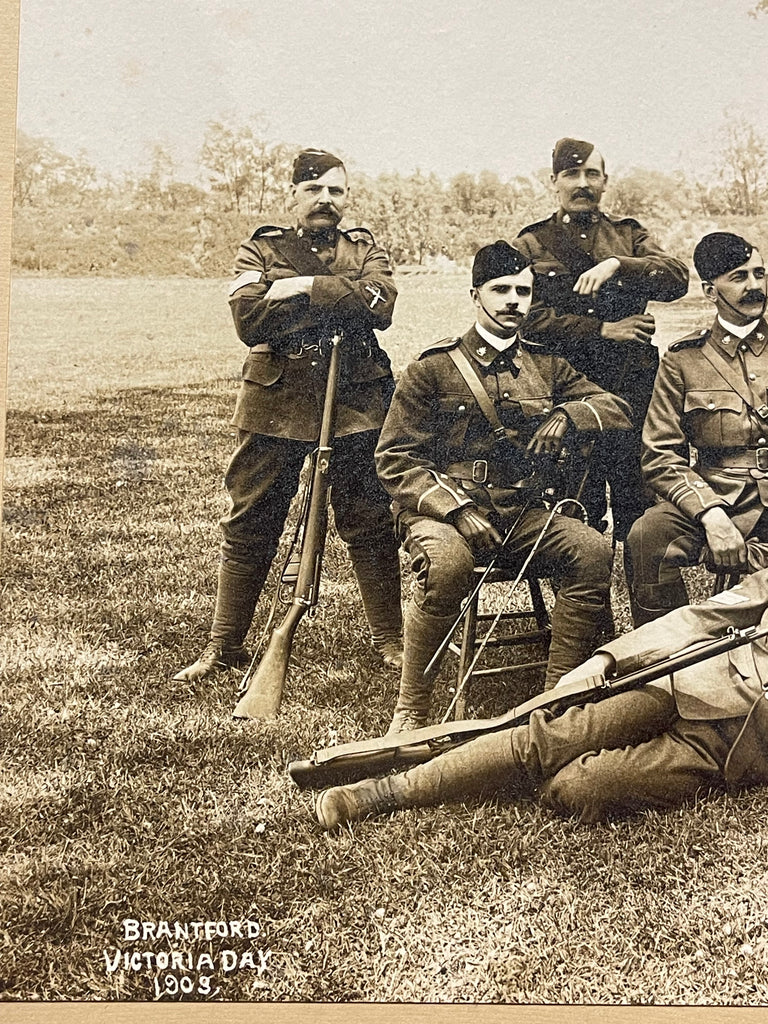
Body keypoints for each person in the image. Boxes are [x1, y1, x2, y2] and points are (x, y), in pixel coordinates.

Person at [374, 240, 633, 733]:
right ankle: (411, 710)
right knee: (449, 565)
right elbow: (395, 459)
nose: (513, 300)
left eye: (523, 291)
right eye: (501, 290)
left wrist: (567, 414)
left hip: (521, 513)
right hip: (442, 515)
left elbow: (616, 408)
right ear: (475, 295)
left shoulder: (548, 366)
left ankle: (556, 699)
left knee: (591, 551)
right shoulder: (433, 369)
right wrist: (456, 509)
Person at [174, 149, 403, 682]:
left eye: (336, 191)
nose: (326, 200)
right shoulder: (259, 248)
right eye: (314, 189)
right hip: (276, 400)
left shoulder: (364, 248)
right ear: (292, 195)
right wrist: (342, 298)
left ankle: (390, 641)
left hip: (356, 399)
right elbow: (250, 319)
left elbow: (382, 306)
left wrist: (302, 287)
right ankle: (223, 646)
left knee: (370, 519)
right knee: (252, 517)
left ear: (347, 197)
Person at [314, 567, 768, 831]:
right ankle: (383, 793)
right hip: (687, 683)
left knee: (579, 789)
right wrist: (608, 657)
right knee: (551, 738)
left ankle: (488, 772)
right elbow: (700, 618)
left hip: (731, 749)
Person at [515, 138, 689, 542]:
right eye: (571, 174)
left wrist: (617, 264)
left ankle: (643, 581)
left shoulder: (629, 236)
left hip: (632, 389)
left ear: (605, 181)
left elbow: (677, 278)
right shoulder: (531, 243)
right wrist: (602, 329)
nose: (582, 183)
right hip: (565, 391)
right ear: (554, 181)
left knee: (640, 505)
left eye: (591, 174)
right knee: (573, 506)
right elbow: (526, 318)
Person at [626, 232, 768, 626]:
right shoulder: (683, 360)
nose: (754, 286)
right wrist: (710, 514)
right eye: (739, 277)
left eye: (759, 273)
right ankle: (669, 651)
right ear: (709, 291)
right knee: (647, 535)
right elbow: (660, 454)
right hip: (721, 494)